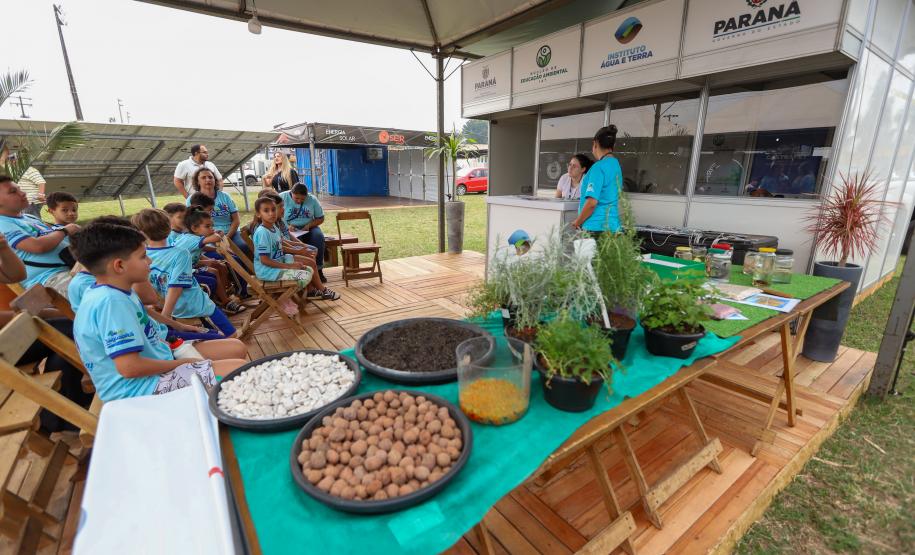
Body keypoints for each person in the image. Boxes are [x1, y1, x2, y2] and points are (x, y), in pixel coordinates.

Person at [70, 222, 247, 402]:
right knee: (241, 373)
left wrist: (179, 327)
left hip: (159, 357)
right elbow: (129, 368)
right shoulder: (111, 302)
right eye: (143, 256)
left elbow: (145, 309)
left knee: (236, 348)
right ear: (119, 266)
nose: (150, 261)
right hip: (139, 389)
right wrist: (182, 364)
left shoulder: (114, 289)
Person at [131, 209, 239, 337]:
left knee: (211, 335)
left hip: (173, 307)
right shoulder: (180, 253)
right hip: (195, 305)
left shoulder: (144, 255)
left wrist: (164, 313)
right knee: (229, 334)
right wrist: (166, 316)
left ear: (141, 233)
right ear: (168, 228)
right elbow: (176, 287)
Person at [251, 197, 339, 310]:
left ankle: (320, 291)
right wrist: (290, 266)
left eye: (273, 209)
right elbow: (264, 260)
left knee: (310, 264)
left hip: (279, 261)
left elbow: (280, 244)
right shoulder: (262, 233)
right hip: (268, 271)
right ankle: (284, 299)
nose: (271, 213)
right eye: (266, 210)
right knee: (304, 274)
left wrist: (299, 250)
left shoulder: (273, 227)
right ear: (258, 214)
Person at [0, 176, 78, 296]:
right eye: (13, 191)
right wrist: (65, 231)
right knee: (98, 291)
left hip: (71, 267)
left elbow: (53, 238)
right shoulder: (2, 223)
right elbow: (37, 246)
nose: (23, 193)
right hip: (49, 279)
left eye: (19, 189)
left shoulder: (28, 217)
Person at [570, 126, 623, 237]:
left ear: (595, 144)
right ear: (613, 145)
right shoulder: (616, 165)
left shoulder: (598, 167)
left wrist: (578, 221)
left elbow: (592, 203)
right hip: (613, 228)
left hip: (595, 228)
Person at [184, 167, 248, 255]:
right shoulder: (191, 199)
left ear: (215, 180)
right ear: (197, 182)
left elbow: (236, 220)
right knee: (216, 253)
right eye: (203, 177)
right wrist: (211, 238)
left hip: (231, 232)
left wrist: (226, 237)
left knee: (243, 246)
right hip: (206, 235)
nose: (208, 180)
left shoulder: (225, 196)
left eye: (210, 177)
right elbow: (190, 223)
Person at [280, 183, 326, 282]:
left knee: (318, 237)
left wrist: (309, 225)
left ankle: (319, 270)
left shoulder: (312, 199)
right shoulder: (282, 197)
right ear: (291, 193)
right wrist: (287, 227)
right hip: (289, 229)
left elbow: (321, 218)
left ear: (307, 195)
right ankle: (302, 271)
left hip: (309, 227)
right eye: (296, 198)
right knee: (296, 244)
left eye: (302, 199)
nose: (299, 201)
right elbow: (276, 217)